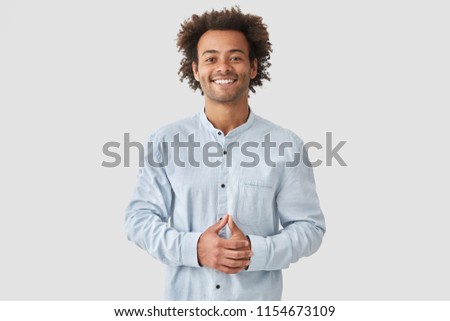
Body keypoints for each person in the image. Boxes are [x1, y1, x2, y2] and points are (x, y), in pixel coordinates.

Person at [125, 6, 325, 300]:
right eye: (210, 58)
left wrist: (255, 252)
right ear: (196, 70)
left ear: (253, 67)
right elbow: (139, 219)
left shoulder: (286, 145)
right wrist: (194, 249)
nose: (223, 67)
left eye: (235, 57)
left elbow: (309, 228)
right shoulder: (165, 141)